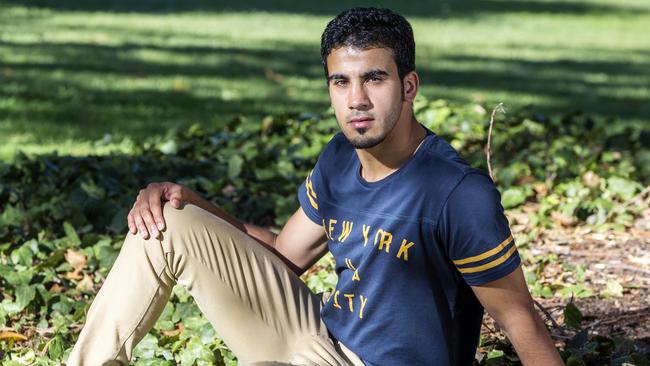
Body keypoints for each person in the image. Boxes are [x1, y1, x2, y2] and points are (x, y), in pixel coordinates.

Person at [67, 7, 564, 366]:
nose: (357, 100)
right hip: (315, 338)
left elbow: (521, 322)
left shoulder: (456, 193)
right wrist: (189, 203)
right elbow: (284, 260)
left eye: (375, 79)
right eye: (340, 82)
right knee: (163, 221)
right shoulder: (339, 158)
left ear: (408, 86)